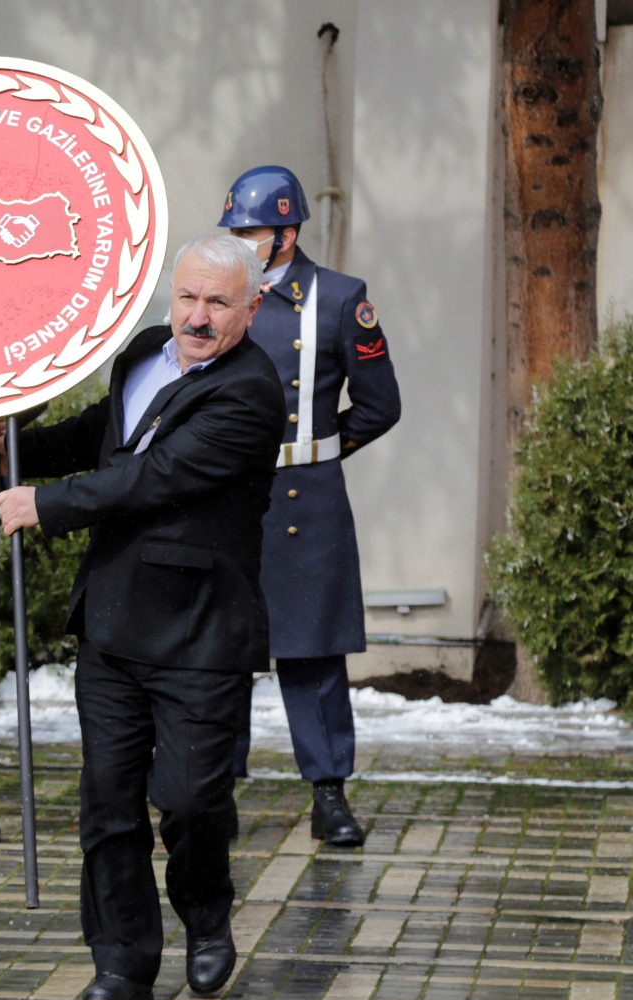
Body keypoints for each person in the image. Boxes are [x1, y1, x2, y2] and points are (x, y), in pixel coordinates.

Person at [0, 235, 284, 1000]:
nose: (198, 317)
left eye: (219, 303)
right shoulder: (147, 350)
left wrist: (45, 504)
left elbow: (156, 476)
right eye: (187, 298)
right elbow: (104, 433)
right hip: (114, 623)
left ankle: (207, 919)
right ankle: (122, 961)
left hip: (199, 632)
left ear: (252, 307)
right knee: (108, 803)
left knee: (188, 800)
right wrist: (12, 453)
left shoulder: (251, 391)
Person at [219, 166, 402, 847]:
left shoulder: (339, 299)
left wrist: (320, 449)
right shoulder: (218, 296)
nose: (239, 239)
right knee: (223, 649)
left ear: (287, 233)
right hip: (227, 494)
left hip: (306, 496)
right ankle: (215, 787)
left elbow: (382, 404)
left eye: (252, 229)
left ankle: (329, 792)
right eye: (233, 228)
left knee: (313, 652)